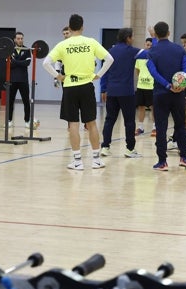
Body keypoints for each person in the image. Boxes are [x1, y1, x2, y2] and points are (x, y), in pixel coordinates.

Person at [42, 13, 114, 171]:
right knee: (91, 123)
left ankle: (77, 162)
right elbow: (109, 59)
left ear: (69, 26)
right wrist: (98, 75)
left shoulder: (63, 45)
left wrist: (58, 76)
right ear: (82, 27)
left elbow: (46, 62)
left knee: (73, 124)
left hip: (70, 88)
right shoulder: (91, 42)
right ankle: (96, 160)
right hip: (87, 86)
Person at [146, 21, 186, 171]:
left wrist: (167, 85)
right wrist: (180, 82)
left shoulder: (152, 51)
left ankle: (162, 162)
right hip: (179, 94)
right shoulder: (179, 49)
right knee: (180, 125)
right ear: (168, 33)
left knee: (161, 127)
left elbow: (153, 72)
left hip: (160, 94)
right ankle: (184, 158)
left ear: (156, 34)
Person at [99, 27, 147, 159]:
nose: (133, 39)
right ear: (128, 38)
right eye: (132, 37)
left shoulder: (110, 51)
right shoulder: (132, 51)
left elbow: (104, 72)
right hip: (126, 92)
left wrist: (103, 89)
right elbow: (149, 54)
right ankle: (130, 149)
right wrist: (154, 38)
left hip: (112, 92)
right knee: (129, 121)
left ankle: (105, 147)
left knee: (109, 120)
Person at [7, 32, 32, 128]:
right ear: (14, 39)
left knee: (26, 101)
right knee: (10, 102)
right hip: (12, 80)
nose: (20, 40)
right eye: (18, 38)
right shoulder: (9, 50)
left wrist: (15, 61)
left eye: (21, 38)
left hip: (23, 80)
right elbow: (10, 64)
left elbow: (27, 63)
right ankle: (9, 120)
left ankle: (27, 121)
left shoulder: (27, 50)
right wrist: (20, 62)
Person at [134, 37, 155, 137]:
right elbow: (137, 71)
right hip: (141, 86)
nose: (149, 46)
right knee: (141, 107)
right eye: (147, 45)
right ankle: (140, 127)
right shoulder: (139, 57)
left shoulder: (154, 57)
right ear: (144, 45)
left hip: (151, 87)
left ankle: (155, 127)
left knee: (153, 107)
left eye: (150, 45)